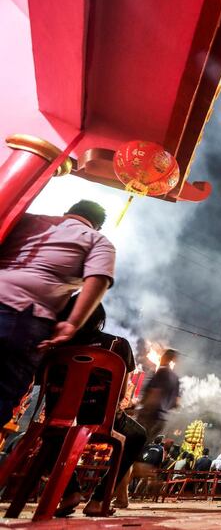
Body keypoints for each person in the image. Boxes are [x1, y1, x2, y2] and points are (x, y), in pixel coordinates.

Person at [0, 200, 115, 425]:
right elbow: (99, 278)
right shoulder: (97, 240)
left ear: (67, 212)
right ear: (97, 226)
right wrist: (72, 323)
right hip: (24, 317)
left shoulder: (29, 218)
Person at [49, 300, 147, 516]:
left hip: (57, 418)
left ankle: (69, 492)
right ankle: (98, 500)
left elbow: (43, 383)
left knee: (51, 432)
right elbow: (121, 395)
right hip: (99, 416)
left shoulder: (54, 346)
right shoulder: (117, 344)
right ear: (100, 321)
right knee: (138, 435)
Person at [137, 349, 180, 441]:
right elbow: (176, 403)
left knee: (133, 442)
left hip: (150, 417)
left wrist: (139, 407)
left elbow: (154, 395)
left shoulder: (162, 372)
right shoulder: (176, 378)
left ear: (165, 358)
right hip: (162, 421)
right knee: (143, 446)